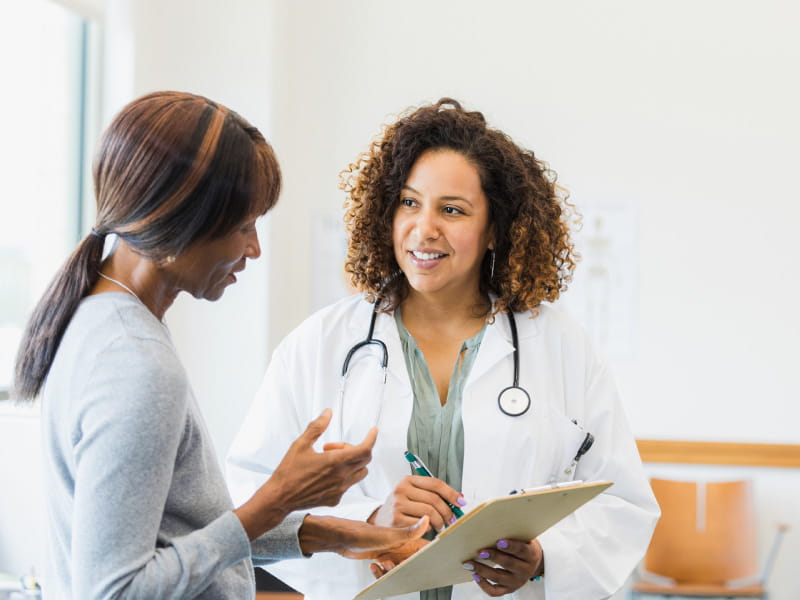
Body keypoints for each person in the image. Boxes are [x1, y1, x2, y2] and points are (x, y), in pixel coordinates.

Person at [226, 98, 660, 600]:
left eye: (452, 210)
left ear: (494, 229)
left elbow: (624, 503)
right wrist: (366, 521)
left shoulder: (561, 347)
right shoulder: (319, 344)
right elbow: (248, 500)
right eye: (409, 203)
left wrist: (543, 558)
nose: (424, 228)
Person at [12, 91, 428, 600]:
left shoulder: (97, 318)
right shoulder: (137, 364)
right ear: (176, 222)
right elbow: (116, 591)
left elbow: (177, 534)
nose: (254, 249)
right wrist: (274, 500)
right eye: (243, 227)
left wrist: (330, 533)